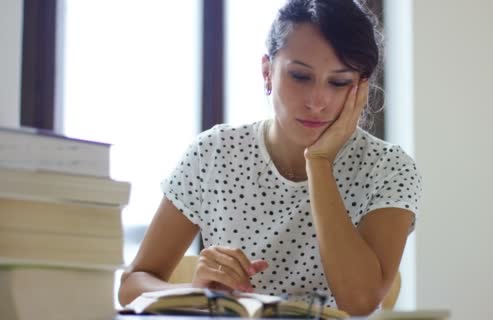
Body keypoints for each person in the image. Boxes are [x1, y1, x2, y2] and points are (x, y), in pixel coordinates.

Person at [118, 0, 421, 316]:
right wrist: (197, 295)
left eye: (339, 82)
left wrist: (318, 162)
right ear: (267, 72)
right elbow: (132, 285)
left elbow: (358, 303)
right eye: (300, 77)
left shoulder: (388, 168)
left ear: (361, 89)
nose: (317, 102)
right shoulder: (214, 152)